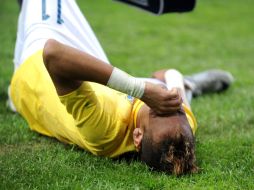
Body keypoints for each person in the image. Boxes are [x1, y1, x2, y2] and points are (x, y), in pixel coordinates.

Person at [8, 0, 233, 175]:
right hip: (67, 78)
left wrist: (143, 90)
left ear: (137, 136)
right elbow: (165, 74)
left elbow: (54, 54)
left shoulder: (105, 130)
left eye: (158, 110)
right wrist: (176, 84)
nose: (170, 104)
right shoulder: (183, 127)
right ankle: (191, 85)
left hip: (38, 66)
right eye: (178, 108)